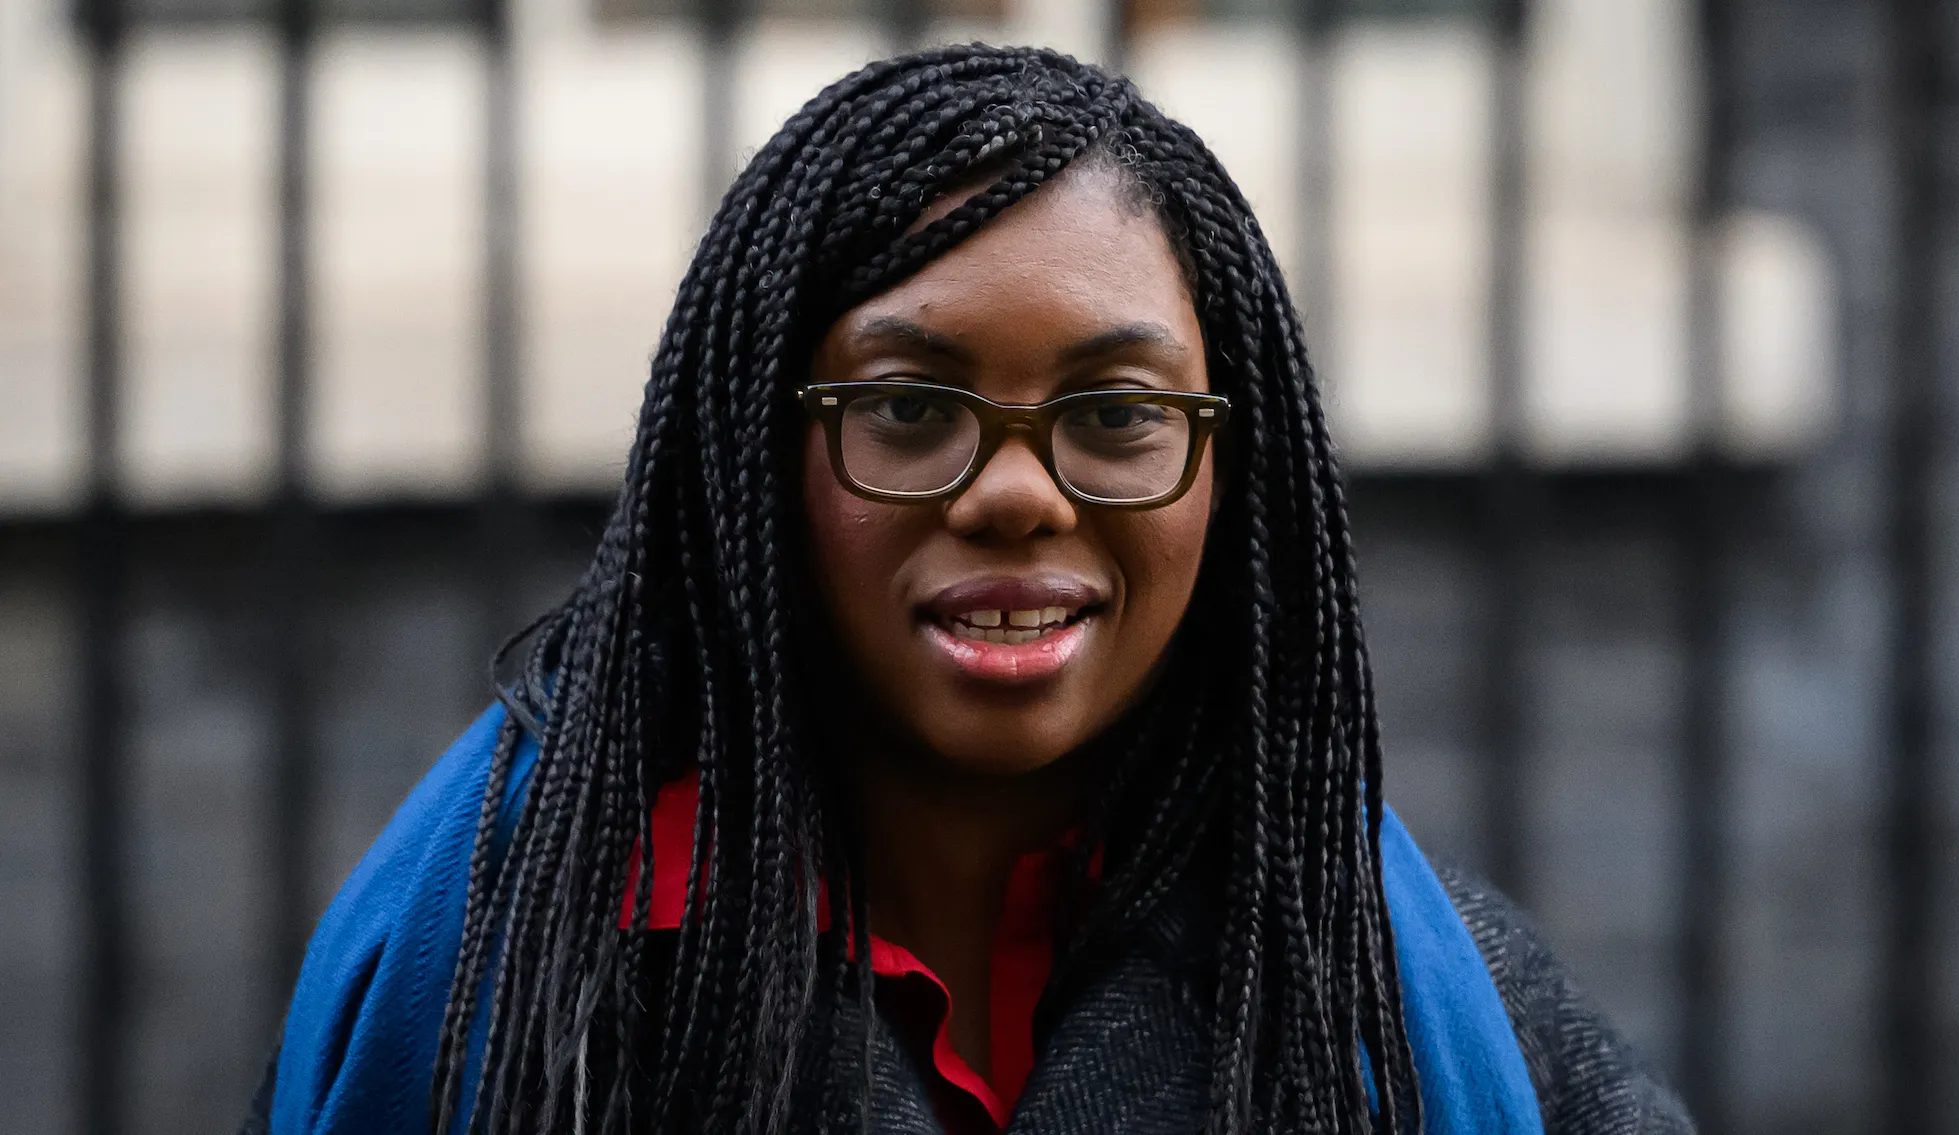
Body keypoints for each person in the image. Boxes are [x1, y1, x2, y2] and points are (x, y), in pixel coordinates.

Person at [250, 45, 1692, 1135]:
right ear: (760, 450)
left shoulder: (1384, 967)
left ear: (1228, 477)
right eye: (907, 408)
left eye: (1118, 413)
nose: (1016, 490)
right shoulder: (504, 954)